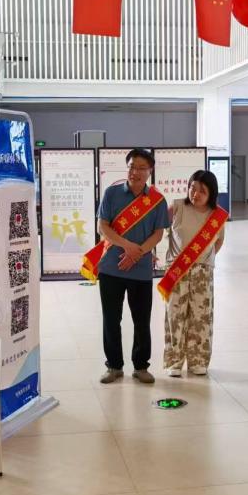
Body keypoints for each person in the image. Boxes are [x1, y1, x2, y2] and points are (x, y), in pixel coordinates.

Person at [85, 149, 169, 384]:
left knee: (142, 320)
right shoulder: (112, 193)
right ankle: (114, 366)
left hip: (141, 270)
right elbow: (103, 227)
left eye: (142, 168)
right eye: (132, 166)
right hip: (111, 267)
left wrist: (136, 253)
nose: (135, 172)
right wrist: (128, 246)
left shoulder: (157, 201)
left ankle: (141, 366)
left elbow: (158, 233)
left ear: (150, 171)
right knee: (111, 319)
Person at [161, 170, 227, 378]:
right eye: (192, 187)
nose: (195, 193)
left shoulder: (217, 216)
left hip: (202, 272)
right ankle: (174, 361)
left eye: (202, 191)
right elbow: (158, 229)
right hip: (177, 270)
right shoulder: (177, 207)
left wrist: (203, 260)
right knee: (175, 315)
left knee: (201, 316)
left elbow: (218, 242)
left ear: (211, 194)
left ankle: (198, 361)